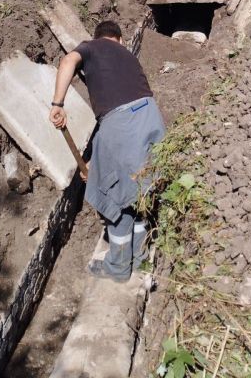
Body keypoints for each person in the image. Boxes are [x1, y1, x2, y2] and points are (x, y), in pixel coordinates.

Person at [49, 19, 165, 283]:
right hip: (151, 116)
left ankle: (119, 267)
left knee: (116, 194)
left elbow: (68, 62)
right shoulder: (127, 56)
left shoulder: (91, 47)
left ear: (98, 38)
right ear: (122, 40)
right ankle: (139, 257)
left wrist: (57, 103)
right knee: (141, 187)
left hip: (122, 122)